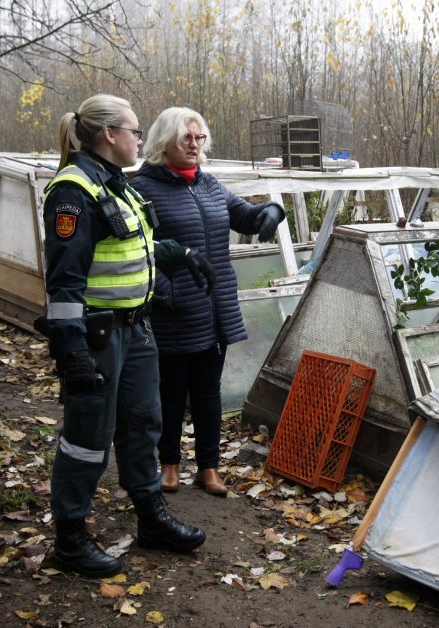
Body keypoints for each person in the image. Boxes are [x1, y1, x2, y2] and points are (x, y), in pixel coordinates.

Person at [41, 94, 207, 578]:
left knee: (144, 425)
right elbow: (64, 283)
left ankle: (150, 520)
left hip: (137, 330)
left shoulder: (117, 184)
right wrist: (71, 350)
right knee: (87, 438)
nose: (140, 138)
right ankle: (70, 539)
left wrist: (179, 253)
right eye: (134, 130)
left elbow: (134, 242)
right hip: (96, 336)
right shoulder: (73, 191)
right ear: (110, 135)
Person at [130, 106, 285, 496]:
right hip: (173, 312)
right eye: (187, 138)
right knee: (170, 392)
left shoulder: (210, 185)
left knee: (207, 392)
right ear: (164, 142)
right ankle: (168, 465)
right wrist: (169, 293)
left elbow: (247, 216)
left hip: (214, 311)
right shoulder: (143, 189)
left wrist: (272, 210)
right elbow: (139, 251)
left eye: (200, 138)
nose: (195, 145)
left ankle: (208, 467)